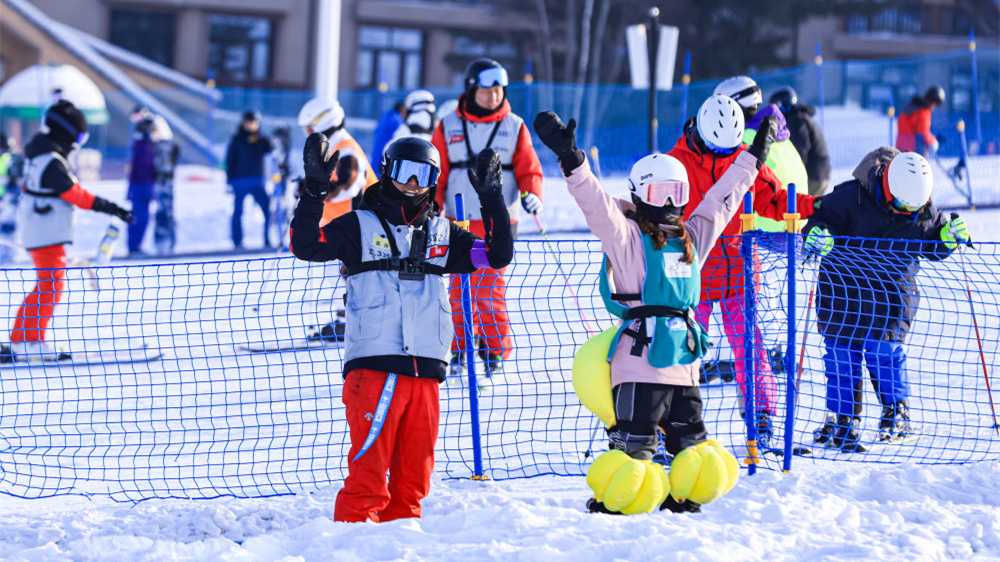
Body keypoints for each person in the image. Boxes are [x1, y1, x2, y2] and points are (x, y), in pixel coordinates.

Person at [533, 110, 773, 514]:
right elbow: (594, 202)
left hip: (684, 368)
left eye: (677, 193)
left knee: (692, 444)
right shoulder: (625, 237)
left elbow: (722, 200)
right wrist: (571, 158)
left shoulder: (692, 238)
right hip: (640, 368)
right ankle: (619, 499)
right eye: (661, 192)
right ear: (641, 194)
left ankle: (686, 494)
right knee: (633, 446)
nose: (669, 203)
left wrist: (754, 157)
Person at [289, 135, 514, 522]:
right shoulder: (359, 225)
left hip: (425, 371)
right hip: (375, 366)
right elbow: (306, 244)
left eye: (423, 175)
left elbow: (497, 254)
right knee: (369, 480)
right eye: (405, 173)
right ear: (388, 171)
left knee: (413, 482)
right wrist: (315, 191)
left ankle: (400, 542)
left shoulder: (444, 235)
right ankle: (351, 544)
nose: (413, 184)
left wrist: (492, 199)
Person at [668, 94, 817, 449]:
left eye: (729, 150)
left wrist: (820, 207)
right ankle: (666, 420)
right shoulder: (676, 163)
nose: (723, 157)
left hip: (738, 270)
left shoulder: (744, 159)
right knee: (680, 348)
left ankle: (761, 415)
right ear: (700, 134)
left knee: (749, 346)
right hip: (691, 274)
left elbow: (777, 200)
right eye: (716, 149)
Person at [803, 149, 969, 452]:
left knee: (884, 350)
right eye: (902, 205)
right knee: (841, 352)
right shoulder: (850, 197)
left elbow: (932, 243)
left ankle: (896, 410)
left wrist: (947, 238)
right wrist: (818, 234)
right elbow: (817, 220)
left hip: (892, 294)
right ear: (888, 189)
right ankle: (843, 415)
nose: (907, 211)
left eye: (913, 207)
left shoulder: (922, 209)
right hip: (843, 291)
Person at [431, 57, 543, 374]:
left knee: (489, 290)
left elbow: (529, 169)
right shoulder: (448, 125)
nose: (493, 96)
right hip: (458, 221)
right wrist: (431, 205)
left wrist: (531, 193)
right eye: (486, 90)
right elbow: (437, 171)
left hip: (499, 222)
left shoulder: (515, 126)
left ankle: (494, 351)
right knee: (458, 289)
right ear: (471, 89)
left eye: (498, 90)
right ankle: (461, 348)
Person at [0, 100, 132, 362]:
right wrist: (113, 209)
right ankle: (30, 340)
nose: (78, 143)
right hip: (46, 232)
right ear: (67, 132)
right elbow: (76, 195)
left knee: (46, 286)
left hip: (42, 230)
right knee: (51, 287)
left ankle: (21, 339)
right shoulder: (51, 161)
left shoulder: (43, 155)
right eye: (79, 137)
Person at [296, 97, 377, 343]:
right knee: (342, 274)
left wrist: (312, 191)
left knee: (354, 274)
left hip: (358, 224)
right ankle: (345, 320)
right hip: (341, 225)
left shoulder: (346, 148)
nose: (308, 134)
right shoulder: (333, 146)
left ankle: (353, 322)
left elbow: (347, 186)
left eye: (310, 128)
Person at [714, 76, 809, 195]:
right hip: (796, 209)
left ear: (732, 107)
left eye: (720, 109)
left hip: (765, 212)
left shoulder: (742, 140)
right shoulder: (782, 136)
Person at [770, 87, 831, 196]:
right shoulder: (802, 117)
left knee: (802, 207)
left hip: (813, 175)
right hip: (820, 173)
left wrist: (792, 171)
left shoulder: (797, 120)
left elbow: (800, 149)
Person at [225, 110, 274, 249]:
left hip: (258, 182)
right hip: (239, 182)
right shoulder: (236, 139)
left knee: (267, 209)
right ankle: (237, 242)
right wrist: (229, 180)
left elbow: (272, 154)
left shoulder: (263, 140)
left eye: (254, 122)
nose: (251, 125)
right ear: (243, 123)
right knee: (238, 211)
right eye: (248, 122)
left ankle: (267, 239)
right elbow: (230, 160)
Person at [126, 114, 157, 254]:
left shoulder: (147, 145)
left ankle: (136, 246)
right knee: (139, 217)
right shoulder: (141, 145)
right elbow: (138, 168)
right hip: (140, 185)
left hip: (145, 185)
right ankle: (134, 247)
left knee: (143, 218)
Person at [151, 115, 179, 255]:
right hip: (161, 185)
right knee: (161, 214)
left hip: (165, 186)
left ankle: (167, 242)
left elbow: (166, 167)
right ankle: (162, 242)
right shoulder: (159, 145)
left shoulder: (165, 146)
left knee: (165, 214)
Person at [896, 86, 945, 156]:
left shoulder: (911, 107)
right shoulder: (923, 111)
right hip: (914, 150)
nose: (934, 107)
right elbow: (923, 132)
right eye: (936, 104)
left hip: (901, 147)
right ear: (933, 101)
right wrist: (933, 141)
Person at [371, 100, 405, 173]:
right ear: (402, 109)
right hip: (384, 156)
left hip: (376, 155)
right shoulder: (397, 122)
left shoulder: (385, 117)